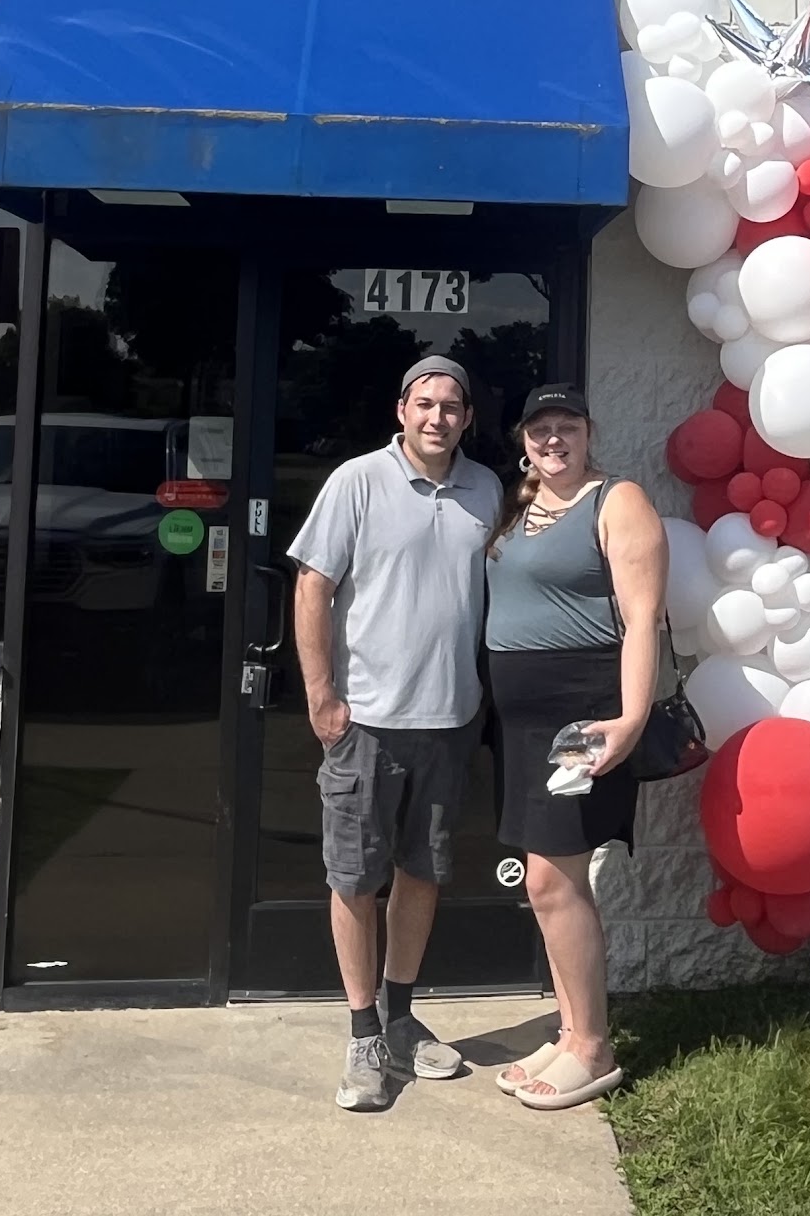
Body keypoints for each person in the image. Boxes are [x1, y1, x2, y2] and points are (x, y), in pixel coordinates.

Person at [291, 354, 502, 1113]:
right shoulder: (357, 481)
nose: (437, 417)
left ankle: (402, 1018)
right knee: (355, 878)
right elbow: (313, 585)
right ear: (401, 410)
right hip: (368, 722)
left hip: (449, 722)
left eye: (451, 406)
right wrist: (321, 696)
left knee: (423, 872)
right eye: (425, 403)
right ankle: (363, 1036)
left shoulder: (486, 490)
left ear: (467, 418)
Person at [484, 384, 668, 1111]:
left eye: (567, 426)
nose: (553, 438)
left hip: (578, 715)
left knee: (554, 880)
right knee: (545, 878)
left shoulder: (618, 501)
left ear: (590, 432)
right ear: (523, 440)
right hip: (522, 722)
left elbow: (643, 618)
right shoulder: (522, 504)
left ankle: (593, 1048)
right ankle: (568, 1033)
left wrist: (630, 718)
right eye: (540, 428)